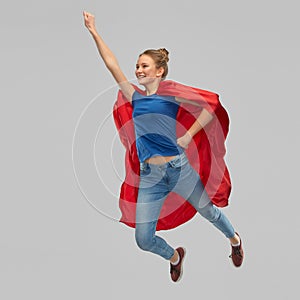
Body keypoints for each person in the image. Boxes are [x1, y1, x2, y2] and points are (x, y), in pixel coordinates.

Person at [83, 11, 244, 282]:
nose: (138, 70)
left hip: (178, 169)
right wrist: (94, 32)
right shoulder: (133, 97)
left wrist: (188, 135)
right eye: (137, 66)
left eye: (144, 66)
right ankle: (175, 256)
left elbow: (209, 108)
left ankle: (235, 239)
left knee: (208, 211)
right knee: (143, 239)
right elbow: (112, 65)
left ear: (159, 71)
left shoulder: (172, 97)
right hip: (151, 177)